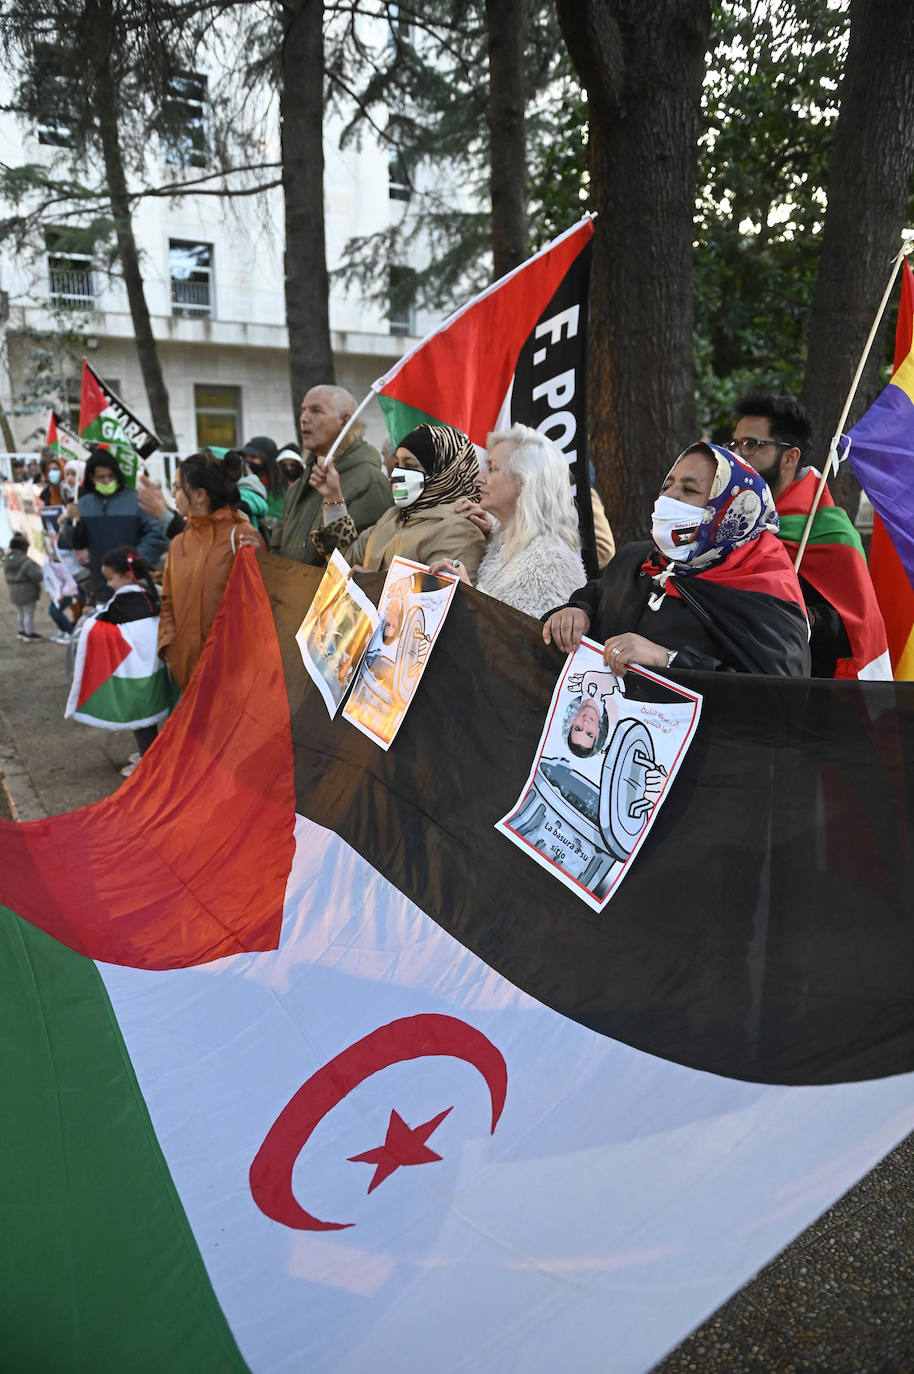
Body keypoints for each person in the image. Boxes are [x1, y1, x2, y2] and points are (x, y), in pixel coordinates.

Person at [543, 442, 811, 677]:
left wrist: (668, 660)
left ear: (727, 508)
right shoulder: (636, 559)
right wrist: (577, 612)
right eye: (668, 485)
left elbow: (778, 696)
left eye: (689, 490)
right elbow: (596, 597)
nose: (668, 497)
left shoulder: (762, 592)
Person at [731, 390, 889, 679]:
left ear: (790, 457)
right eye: (737, 444)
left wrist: (806, 619)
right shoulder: (726, 523)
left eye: (752, 444)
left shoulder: (830, 532)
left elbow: (855, 630)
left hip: (806, 697)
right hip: (728, 686)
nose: (739, 455)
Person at [429, 424, 586, 617]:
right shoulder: (505, 540)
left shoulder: (551, 561)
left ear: (524, 482)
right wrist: (493, 528)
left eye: (492, 468)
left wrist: (466, 593)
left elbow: (525, 641)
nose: (479, 478)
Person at [311, 423, 486, 574]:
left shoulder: (459, 530)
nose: (397, 473)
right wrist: (332, 495)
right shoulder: (393, 516)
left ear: (445, 473)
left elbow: (441, 603)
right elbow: (345, 562)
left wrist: (373, 584)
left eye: (410, 465)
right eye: (398, 464)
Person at [158, 451, 265, 690]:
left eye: (177, 487)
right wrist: (170, 646)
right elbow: (167, 601)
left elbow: (260, 609)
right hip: (185, 673)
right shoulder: (178, 543)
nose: (174, 496)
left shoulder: (240, 536)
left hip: (232, 678)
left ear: (199, 495)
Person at [272, 385, 391, 565]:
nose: (303, 418)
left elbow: (364, 563)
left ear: (345, 421)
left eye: (316, 411)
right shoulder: (300, 483)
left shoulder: (370, 481)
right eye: (303, 410)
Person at [93, 548, 174, 777]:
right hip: (152, 669)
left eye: (110, 578)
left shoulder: (127, 600)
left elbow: (104, 621)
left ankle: (149, 764)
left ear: (128, 576)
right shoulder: (146, 593)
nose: (108, 584)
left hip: (137, 673)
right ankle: (150, 755)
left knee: (142, 720)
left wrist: (90, 619)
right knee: (149, 718)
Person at [56, 446, 169, 602]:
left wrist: (134, 562)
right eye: (101, 477)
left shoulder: (135, 500)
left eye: (111, 476)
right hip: (101, 586)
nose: (107, 481)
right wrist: (71, 522)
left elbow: (158, 535)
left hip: (135, 585)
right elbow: (69, 543)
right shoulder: (83, 504)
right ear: (91, 477)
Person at [3, 531, 44, 641]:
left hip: (13, 590)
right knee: (28, 613)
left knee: (20, 612)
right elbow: (37, 576)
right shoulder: (26, 561)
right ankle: (29, 634)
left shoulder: (6, 559)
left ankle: (21, 631)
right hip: (27, 591)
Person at [240, 436, 285, 519]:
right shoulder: (241, 481)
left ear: (268, 460)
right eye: (245, 456)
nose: (247, 460)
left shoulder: (280, 487)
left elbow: (278, 518)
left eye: (253, 457)